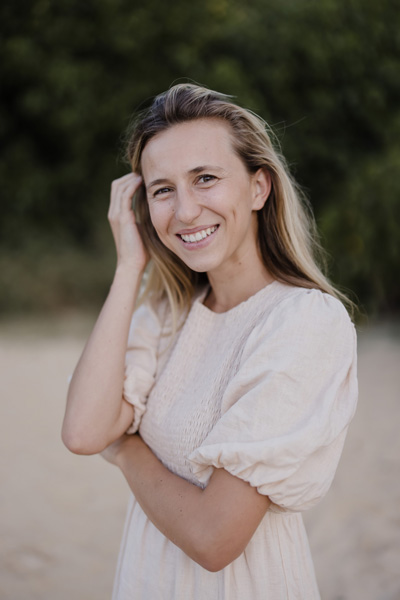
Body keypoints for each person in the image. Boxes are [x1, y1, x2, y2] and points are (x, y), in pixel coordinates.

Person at [62, 83, 358, 599]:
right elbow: (84, 433)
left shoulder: (304, 322)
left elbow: (214, 536)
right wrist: (130, 266)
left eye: (205, 179)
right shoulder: (168, 309)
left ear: (259, 188)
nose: (185, 211)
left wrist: (128, 450)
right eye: (162, 190)